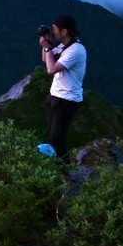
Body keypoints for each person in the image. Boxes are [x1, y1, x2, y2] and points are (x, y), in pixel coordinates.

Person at [39, 14, 86, 160]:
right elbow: (45, 59)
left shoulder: (76, 50)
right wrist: (46, 45)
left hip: (67, 100)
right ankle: (57, 166)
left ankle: (65, 168)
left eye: (55, 29)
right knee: (51, 136)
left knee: (57, 139)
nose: (53, 32)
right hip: (56, 96)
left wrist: (47, 48)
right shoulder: (64, 46)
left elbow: (51, 69)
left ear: (64, 31)